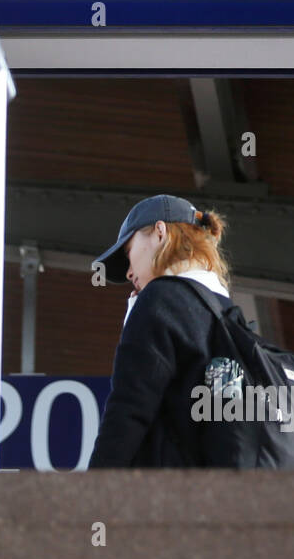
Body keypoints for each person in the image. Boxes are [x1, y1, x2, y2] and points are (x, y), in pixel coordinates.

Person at [88, 194, 235, 468]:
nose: (130, 272)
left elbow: (129, 409)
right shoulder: (228, 314)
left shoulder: (160, 300)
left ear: (159, 232)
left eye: (128, 252)